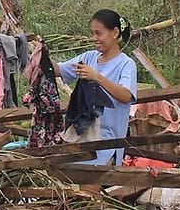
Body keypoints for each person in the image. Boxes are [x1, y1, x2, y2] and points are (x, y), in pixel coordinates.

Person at [54, 9, 138, 166]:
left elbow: (126, 96)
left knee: (89, 187)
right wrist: (40, 52)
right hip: (83, 138)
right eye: (93, 34)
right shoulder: (88, 57)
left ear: (114, 32)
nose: (94, 38)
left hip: (108, 142)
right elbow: (59, 70)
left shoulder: (126, 64)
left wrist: (97, 77)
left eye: (99, 34)